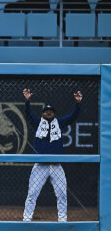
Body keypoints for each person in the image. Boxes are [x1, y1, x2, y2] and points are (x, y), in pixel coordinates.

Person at [21, 88, 82, 222]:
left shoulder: (59, 123)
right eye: (46, 111)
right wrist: (27, 101)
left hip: (56, 165)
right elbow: (28, 114)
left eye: (51, 111)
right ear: (42, 113)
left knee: (62, 194)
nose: (49, 112)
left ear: (54, 113)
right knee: (32, 193)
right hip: (40, 166)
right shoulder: (38, 123)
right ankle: (26, 219)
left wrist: (77, 103)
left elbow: (73, 116)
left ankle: (62, 219)